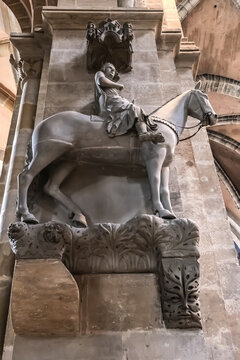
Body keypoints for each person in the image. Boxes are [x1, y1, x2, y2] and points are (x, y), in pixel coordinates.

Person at [94, 63, 165, 143]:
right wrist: (118, 85)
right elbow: (102, 81)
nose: (112, 71)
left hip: (114, 101)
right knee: (135, 108)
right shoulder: (99, 74)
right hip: (109, 103)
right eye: (110, 68)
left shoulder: (111, 86)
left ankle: (144, 131)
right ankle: (143, 133)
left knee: (136, 110)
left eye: (114, 71)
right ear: (104, 69)